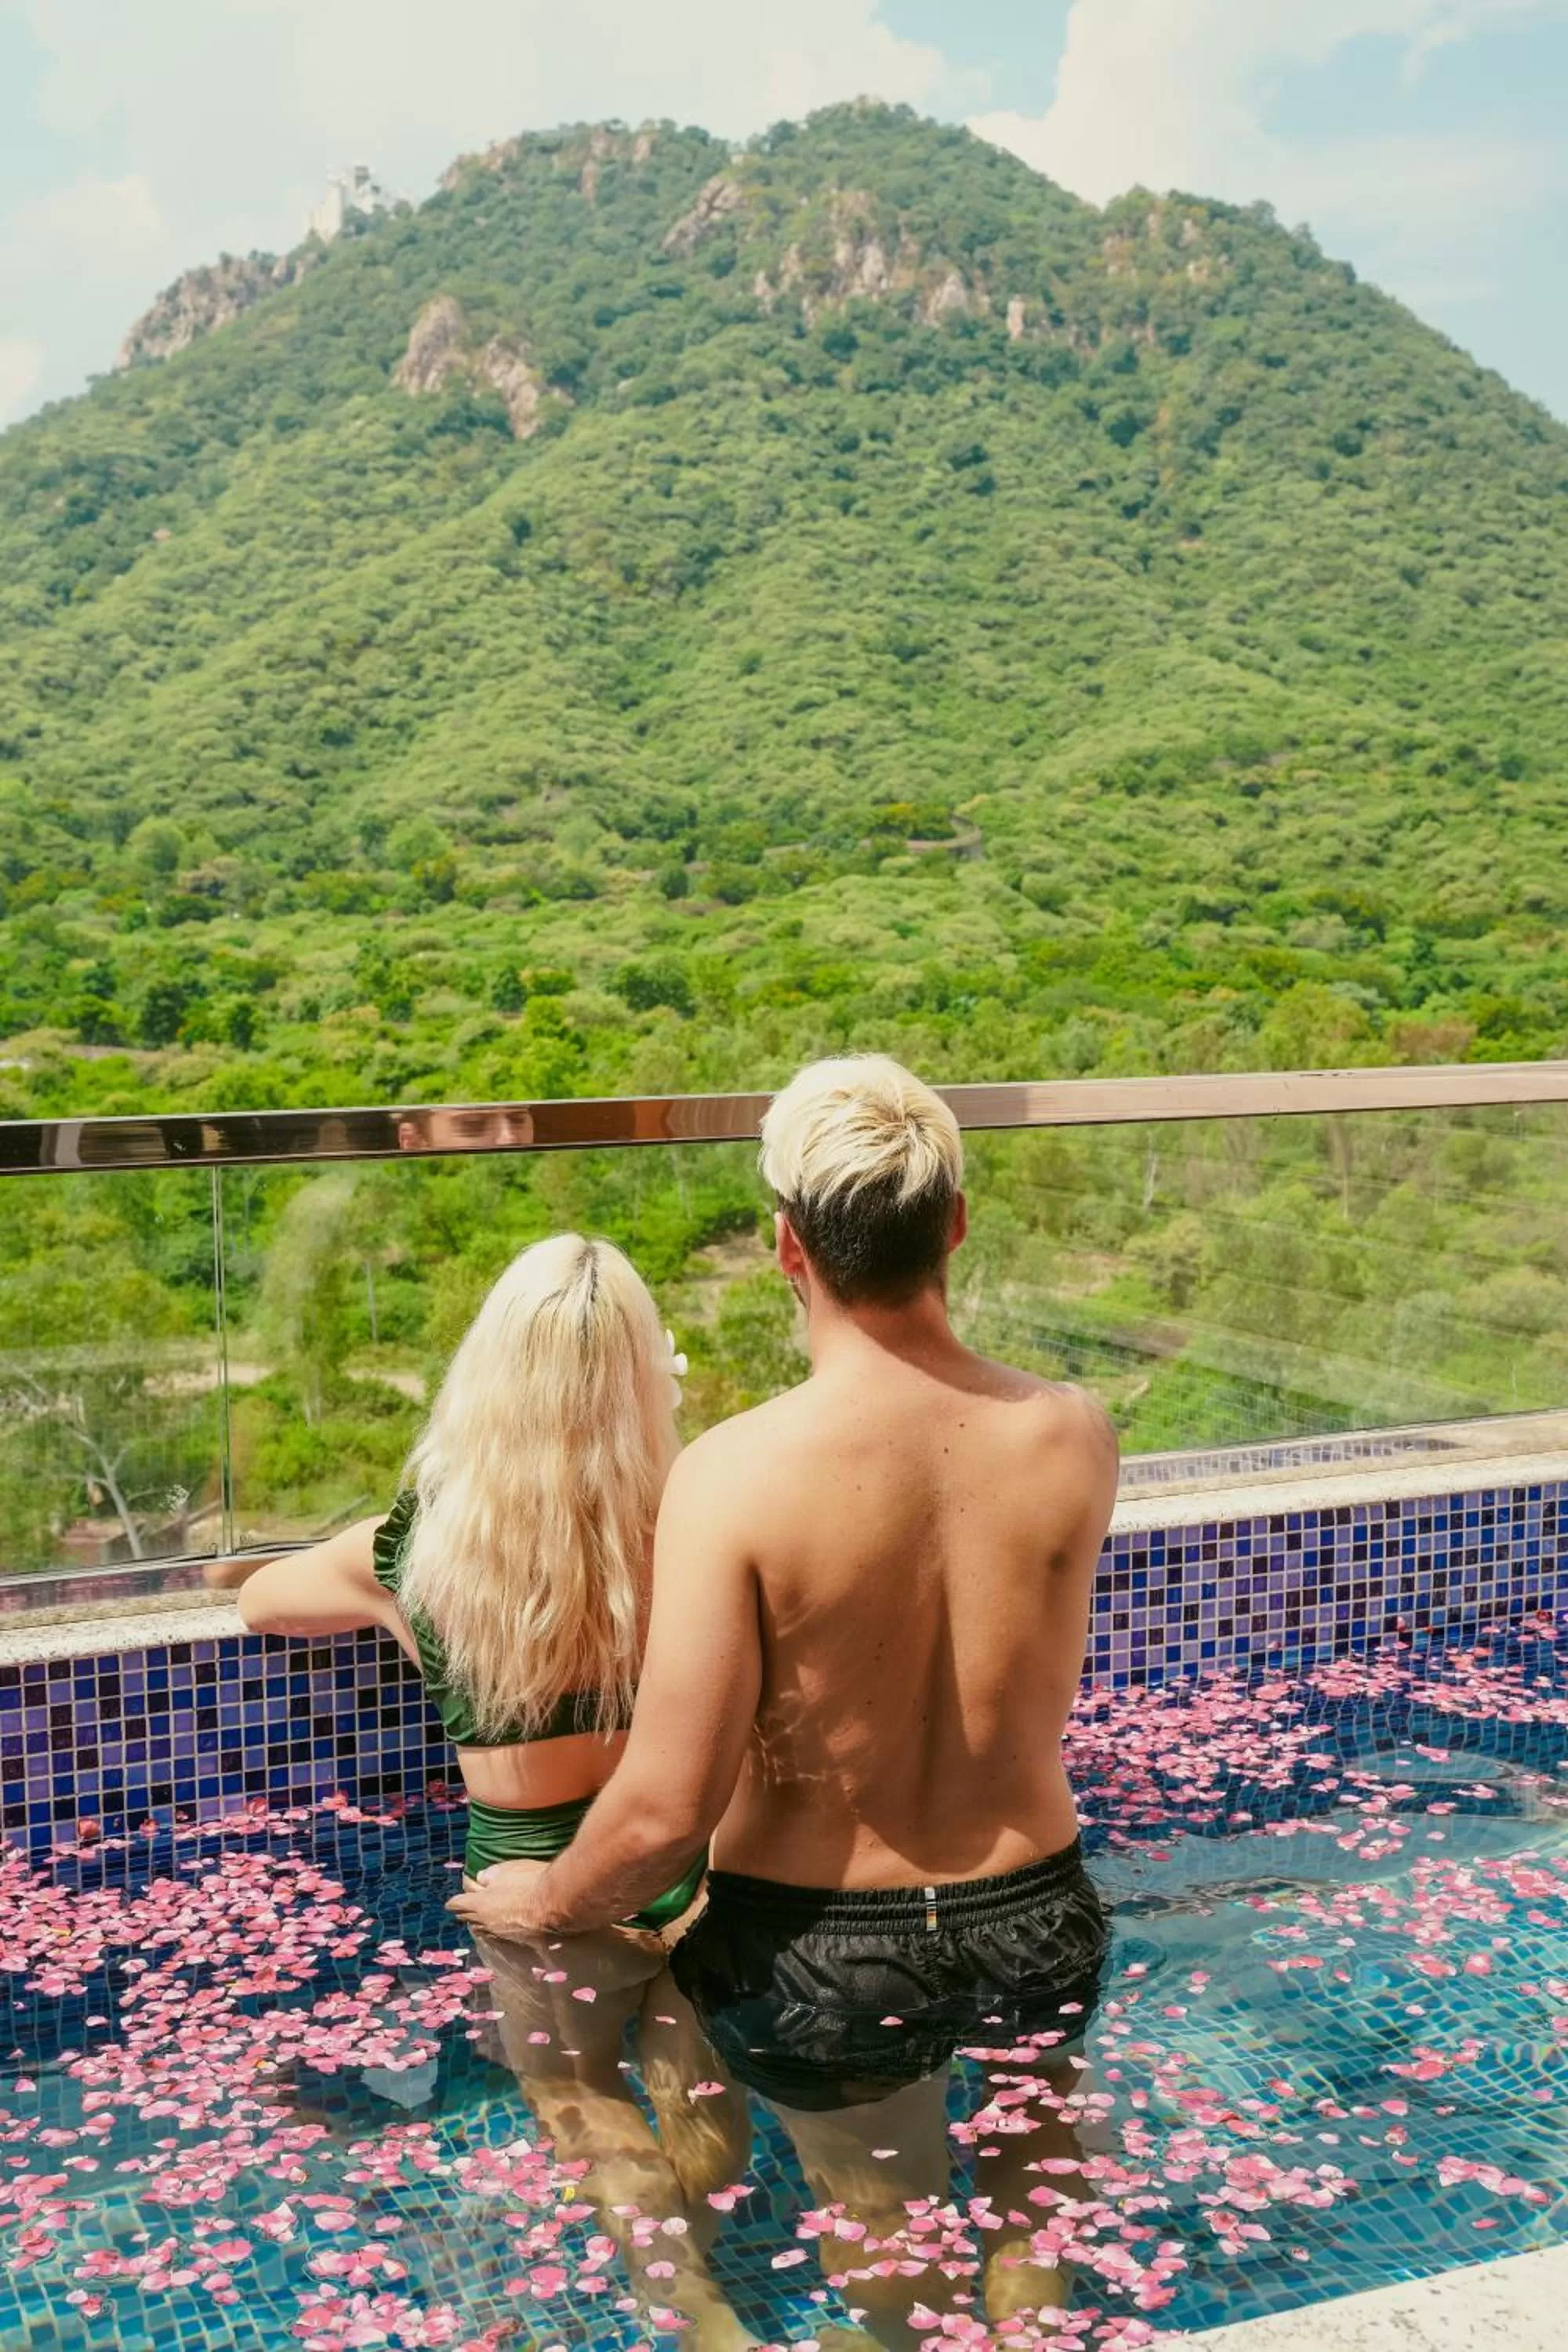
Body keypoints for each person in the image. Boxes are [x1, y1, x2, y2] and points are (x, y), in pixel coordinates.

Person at [452, 1057, 1120, 2347]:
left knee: (894, 2284)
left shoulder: (739, 1475)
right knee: (1033, 2187)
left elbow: (663, 1808)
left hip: (825, 1947)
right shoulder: (1073, 1430)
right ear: (958, 1228)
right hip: (1038, 1909)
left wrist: (543, 1899)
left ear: (785, 1245)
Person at [212, 1235, 753, 2350]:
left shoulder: (416, 1552)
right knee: (704, 2094)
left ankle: (700, 2320)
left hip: (538, 1889)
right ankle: (701, 2257)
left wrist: (288, 1557)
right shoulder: (706, 1523)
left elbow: (262, 1603)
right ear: (653, 1376)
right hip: (694, 1869)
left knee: (581, 2103)